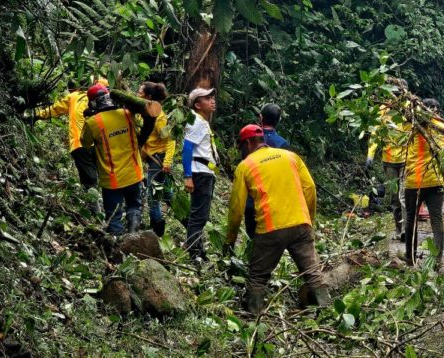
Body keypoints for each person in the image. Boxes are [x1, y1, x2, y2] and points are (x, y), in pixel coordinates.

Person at [225, 124, 329, 314]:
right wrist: (309, 219)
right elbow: (310, 188)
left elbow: (236, 208)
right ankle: (328, 315)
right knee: (312, 273)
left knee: (258, 276)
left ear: (247, 143)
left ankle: (253, 318)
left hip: (270, 228)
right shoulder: (290, 156)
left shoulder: (245, 166)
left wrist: (229, 240)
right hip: (300, 223)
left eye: (241, 147)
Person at [80, 84, 156, 234]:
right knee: (134, 207)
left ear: (93, 102)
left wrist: (89, 117)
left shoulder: (93, 122)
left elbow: (85, 142)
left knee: (113, 215)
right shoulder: (127, 113)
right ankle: (133, 236)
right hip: (134, 174)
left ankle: (117, 248)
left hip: (111, 179)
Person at [35, 79, 107, 196]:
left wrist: (38, 115)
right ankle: (108, 207)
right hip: (99, 143)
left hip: (80, 144)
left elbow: (55, 109)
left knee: (89, 182)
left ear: (70, 90)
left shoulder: (73, 96)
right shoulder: (97, 97)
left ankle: (94, 210)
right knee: (105, 177)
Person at [403, 98, 444, 268]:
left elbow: (402, 127)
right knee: (436, 219)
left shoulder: (412, 126)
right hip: (436, 181)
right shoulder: (442, 127)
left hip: (416, 181)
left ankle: (410, 258)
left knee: (411, 219)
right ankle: (437, 260)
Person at [182, 87, 218, 261]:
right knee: (199, 215)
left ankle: (198, 248)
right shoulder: (196, 121)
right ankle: (193, 252)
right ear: (197, 104)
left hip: (205, 171)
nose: (212, 100)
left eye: (212, 97)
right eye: (207, 98)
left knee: (201, 214)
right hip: (200, 172)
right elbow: (187, 148)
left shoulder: (201, 121)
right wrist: (187, 176)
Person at [244, 103, 290, 238]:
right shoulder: (283, 144)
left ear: (260, 117)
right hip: (272, 200)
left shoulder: (250, 140)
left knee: (251, 237)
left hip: (252, 197)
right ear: (278, 120)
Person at [366, 102, 409, 242]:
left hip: (406, 159)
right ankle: (398, 229)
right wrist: (370, 154)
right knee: (395, 198)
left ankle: (405, 231)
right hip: (389, 160)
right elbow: (375, 133)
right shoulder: (383, 111)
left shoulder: (410, 108)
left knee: (404, 197)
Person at [138, 82, 175, 237]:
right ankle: (188, 219)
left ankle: (156, 235)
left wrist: (167, 162)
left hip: (158, 160)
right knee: (167, 194)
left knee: (153, 198)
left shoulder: (159, 117)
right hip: (153, 159)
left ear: (149, 96)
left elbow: (171, 140)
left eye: (140, 92)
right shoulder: (145, 112)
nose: (137, 94)